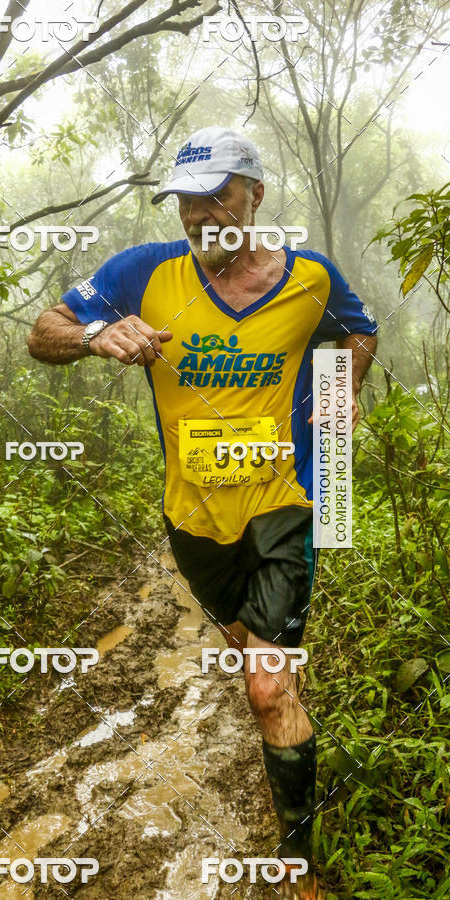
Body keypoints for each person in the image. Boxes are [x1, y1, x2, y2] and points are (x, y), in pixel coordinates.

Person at [27, 125, 378, 899]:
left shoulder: (310, 280)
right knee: (242, 642)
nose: (199, 213)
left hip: (283, 504)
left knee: (263, 685)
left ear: (255, 195)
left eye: (218, 192)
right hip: (192, 519)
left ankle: (297, 861)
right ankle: (279, 684)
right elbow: (41, 332)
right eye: (187, 199)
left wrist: (344, 385)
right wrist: (95, 333)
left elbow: (360, 331)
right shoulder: (143, 273)